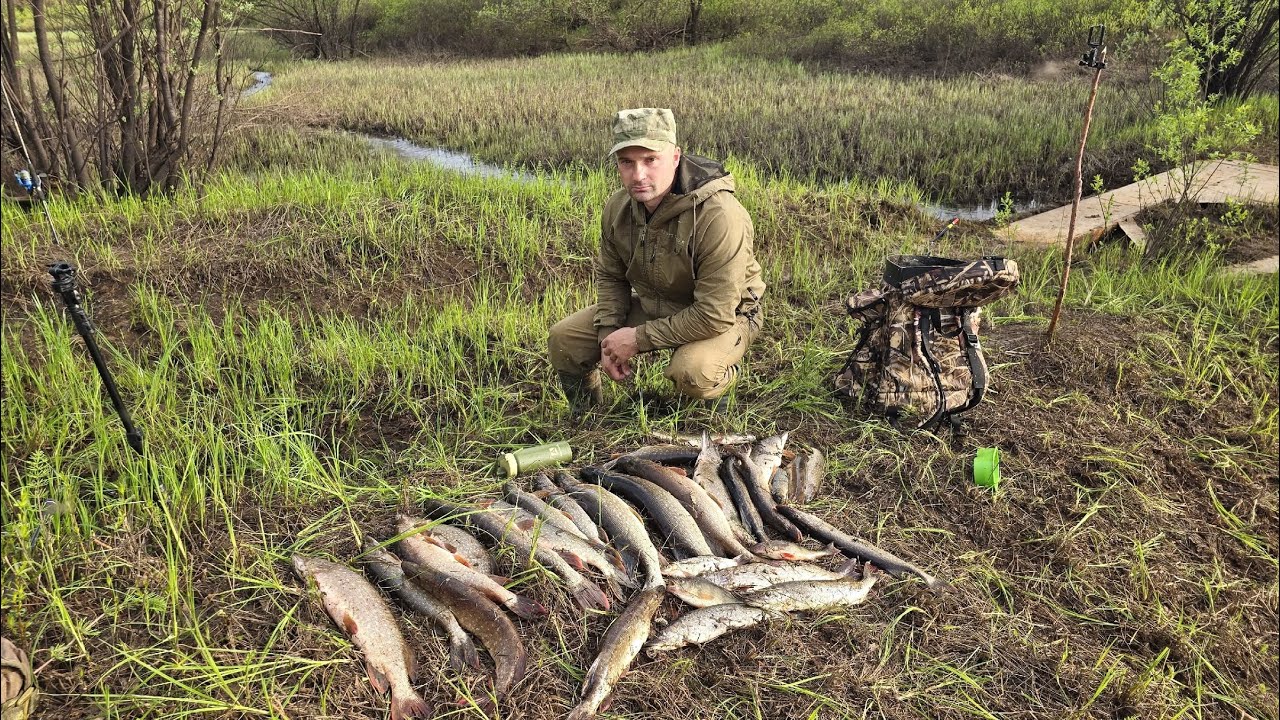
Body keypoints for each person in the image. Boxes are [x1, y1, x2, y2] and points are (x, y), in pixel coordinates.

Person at [548, 107, 765, 415]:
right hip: (658, 303)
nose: (638, 175)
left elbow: (715, 314)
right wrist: (608, 336)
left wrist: (638, 339)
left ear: (675, 157)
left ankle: (718, 399)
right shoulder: (618, 207)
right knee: (564, 340)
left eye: (650, 160)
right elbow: (612, 276)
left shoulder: (719, 216)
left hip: (729, 314)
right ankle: (587, 417)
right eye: (627, 162)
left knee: (694, 371)